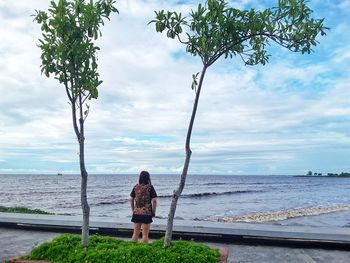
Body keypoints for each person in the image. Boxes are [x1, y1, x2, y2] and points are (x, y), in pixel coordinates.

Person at [130, 171, 157, 243]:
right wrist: (153, 212)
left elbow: (131, 199)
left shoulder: (136, 187)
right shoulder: (150, 187)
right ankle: (143, 251)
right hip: (147, 213)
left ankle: (132, 248)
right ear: (148, 178)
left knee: (135, 233)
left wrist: (133, 210)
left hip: (136, 213)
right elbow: (154, 201)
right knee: (145, 234)